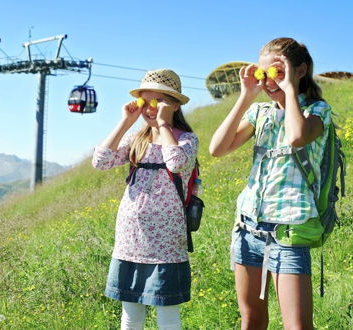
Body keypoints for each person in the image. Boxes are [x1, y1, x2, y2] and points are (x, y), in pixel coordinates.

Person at [209, 37, 332, 329]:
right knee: (251, 319)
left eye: (277, 72)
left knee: (297, 326)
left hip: (288, 232)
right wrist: (246, 96)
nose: (269, 81)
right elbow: (217, 148)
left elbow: (296, 137)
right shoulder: (259, 113)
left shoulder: (316, 111)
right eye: (264, 74)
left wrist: (288, 89)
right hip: (248, 229)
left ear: (299, 70)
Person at [92, 69, 198, 329]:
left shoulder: (185, 139)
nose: (150, 109)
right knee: (130, 316)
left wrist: (163, 125)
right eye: (145, 102)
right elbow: (100, 161)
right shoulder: (136, 139)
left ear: (174, 105)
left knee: (168, 316)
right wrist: (126, 122)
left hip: (166, 244)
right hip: (131, 239)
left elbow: (175, 164)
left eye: (158, 102)